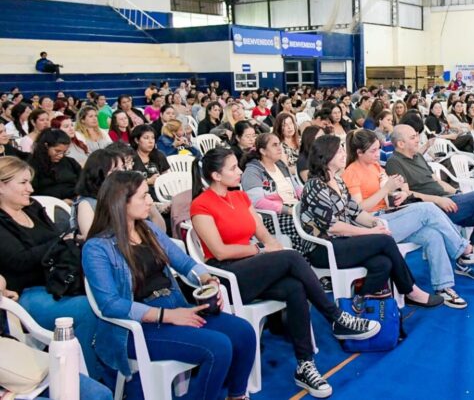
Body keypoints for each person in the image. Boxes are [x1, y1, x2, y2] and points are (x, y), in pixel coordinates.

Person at [191, 147, 380, 398]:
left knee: (295, 287)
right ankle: (336, 317)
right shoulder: (200, 206)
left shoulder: (239, 197)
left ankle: (305, 365)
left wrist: (271, 245)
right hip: (228, 275)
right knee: (291, 257)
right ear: (215, 175)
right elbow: (220, 251)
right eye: (233, 168)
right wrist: (260, 250)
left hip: (253, 265)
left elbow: (262, 232)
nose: (239, 172)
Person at [83, 171, 255, 400]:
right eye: (143, 196)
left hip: (175, 306)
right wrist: (167, 316)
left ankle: (237, 395)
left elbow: (183, 262)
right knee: (219, 347)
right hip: (137, 327)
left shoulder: (147, 229)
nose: (150, 201)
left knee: (244, 332)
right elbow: (110, 304)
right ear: (121, 201)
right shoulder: (97, 248)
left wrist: (207, 280)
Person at [343, 130, 474, 307]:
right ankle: (465, 249)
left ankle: (443, 287)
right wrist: (386, 189)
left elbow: (386, 196)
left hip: (388, 216)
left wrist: (398, 192)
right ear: (359, 153)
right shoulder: (351, 172)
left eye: (378, 149)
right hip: (372, 225)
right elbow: (359, 210)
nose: (377, 154)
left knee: (433, 234)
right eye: (373, 151)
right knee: (427, 208)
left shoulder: (375, 166)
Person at [300, 135, 443, 310]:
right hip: (323, 248)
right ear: (325, 155)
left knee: (384, 263)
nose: (344, 154)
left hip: (343, 242)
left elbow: (355, 211)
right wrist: (372, 232)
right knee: (384, 240)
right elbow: (333, 227)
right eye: (339, 151)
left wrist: (374, 222)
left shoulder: (337, 180)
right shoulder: (315, 186)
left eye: (343, 149)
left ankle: (359, 303)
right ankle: (411, 291)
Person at [0, 157, 103, 379]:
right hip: (26, 293)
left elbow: (56, 243)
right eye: (23, 183)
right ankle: (84, 378)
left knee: (105, 294)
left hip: (58, 279)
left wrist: (61, 241)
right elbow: (19, 260)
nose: (31, 188)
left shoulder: (33, 208)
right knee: (88, 309)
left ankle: (109, 367)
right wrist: (60, 241)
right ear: (1, 186)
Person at [72, 149, 165, 239]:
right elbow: (91, 239)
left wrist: (147, 202)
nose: (122, 173)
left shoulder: (128, 197)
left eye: (123, 168)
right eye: (115, 170)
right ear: (98, 174)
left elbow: (161, 231)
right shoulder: (87, 204)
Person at [28, 129, 81, 204]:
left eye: (64, 152)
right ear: (46, 146)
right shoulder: (31, 166)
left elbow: (83, 183)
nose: (61, 155)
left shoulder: (70, 162)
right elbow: (32, 193)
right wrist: (59, 203)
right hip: (48, 204)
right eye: (57, 151)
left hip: (75, 200)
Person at [130, 125, 170, 198]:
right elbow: (128, 183)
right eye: (146, 138)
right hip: (138, 196)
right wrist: (148, 181)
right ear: (136, 140)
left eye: (153, 138)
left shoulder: (160, 155)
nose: (151, 141)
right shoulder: (130, 158)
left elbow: (166, 178)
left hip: (160, 194)